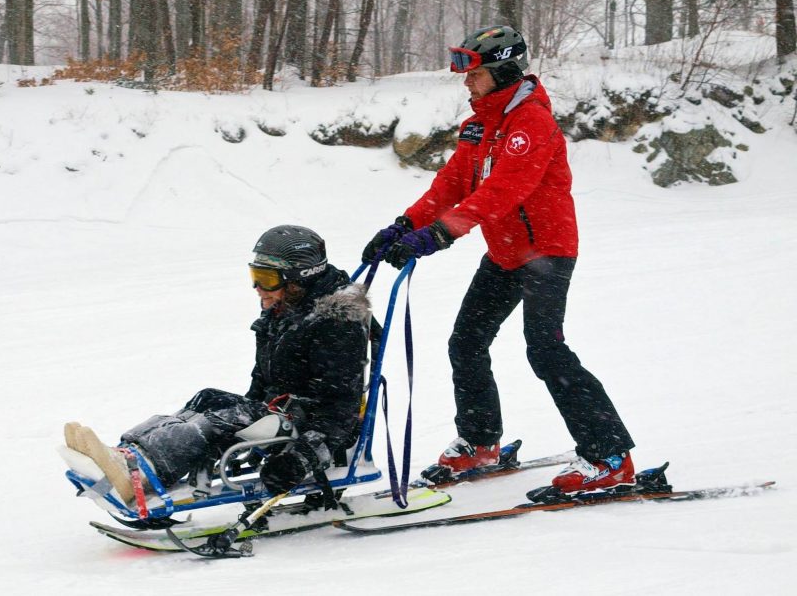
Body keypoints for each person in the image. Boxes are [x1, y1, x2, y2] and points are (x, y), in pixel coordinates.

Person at [361, 25, 636, 495]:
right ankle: (481, 442)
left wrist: (441, 233)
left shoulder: (530, 123)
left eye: (475, 72)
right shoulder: (480, 123)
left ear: (503, 70)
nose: (465, 81)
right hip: (507, 252)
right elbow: (452, 182)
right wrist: (406, 225)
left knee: (546, 350)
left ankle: (609, 455)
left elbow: (503, 191)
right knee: (466, 342)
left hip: (546, 252)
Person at [65, 225, 371, 505]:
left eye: (266, 279)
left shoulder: (336, 325)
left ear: (297, 280)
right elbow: (262, 379)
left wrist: (301, 458)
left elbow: (340, 408)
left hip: (317, 430)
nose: (257, 288)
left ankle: (138, 474)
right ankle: (130, 456)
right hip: (282, 411)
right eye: (255, 276)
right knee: (208, 398)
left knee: (225, 416)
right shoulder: (285, 310)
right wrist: (243, 418)